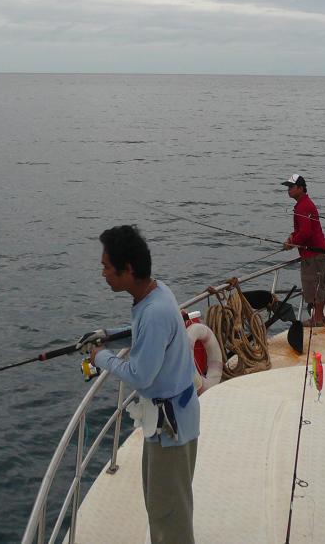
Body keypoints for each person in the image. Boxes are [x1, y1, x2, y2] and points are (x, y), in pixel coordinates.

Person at [90, 225, 200, 544]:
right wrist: (109, 336)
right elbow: (146, 335)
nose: (103, 274)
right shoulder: (155, 292)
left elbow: (140, 375)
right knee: (162, 507)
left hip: (171, 428)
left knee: (169, 517)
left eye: (107, 267)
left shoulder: (154, 311)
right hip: (164, 423)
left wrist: (101, 357)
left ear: (128, 269)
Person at [281, 173, 325, 328]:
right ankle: (318, 317)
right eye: (287, 187)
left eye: (291, 187)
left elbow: (306, 233)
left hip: (314, 254)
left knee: (314, 286)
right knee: (316, 285)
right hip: (315, 252)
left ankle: (317, 319)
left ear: (301, 188)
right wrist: (292, 237)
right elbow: (302, 230)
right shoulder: (303, 204)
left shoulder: (303, 206)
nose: (288, 190)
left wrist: (292, 243)